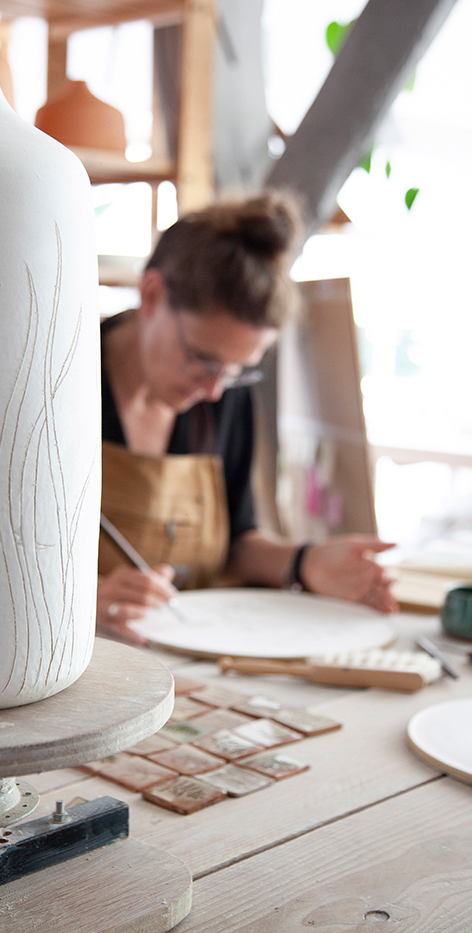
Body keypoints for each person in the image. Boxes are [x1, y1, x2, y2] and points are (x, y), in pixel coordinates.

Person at [97, 191, 396, 645]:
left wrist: (307, 562)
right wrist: (83, 599)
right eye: (202, 359)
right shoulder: (54, 384)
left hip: (188, 653)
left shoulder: (225, 395)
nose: (214, 390)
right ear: (152, 295)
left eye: (237, 370)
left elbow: (237, 542)